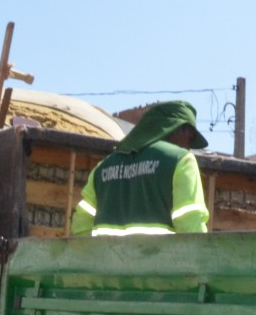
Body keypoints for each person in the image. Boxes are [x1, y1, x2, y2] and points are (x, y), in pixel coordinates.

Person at [69, 99, 210, 236]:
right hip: (161, 259)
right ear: (176, 129)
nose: (188, 147)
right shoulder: (181, 160)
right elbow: (191, 225)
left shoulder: (102, 168)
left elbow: (81, 226)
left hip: (109, 259)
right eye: (190, 138)